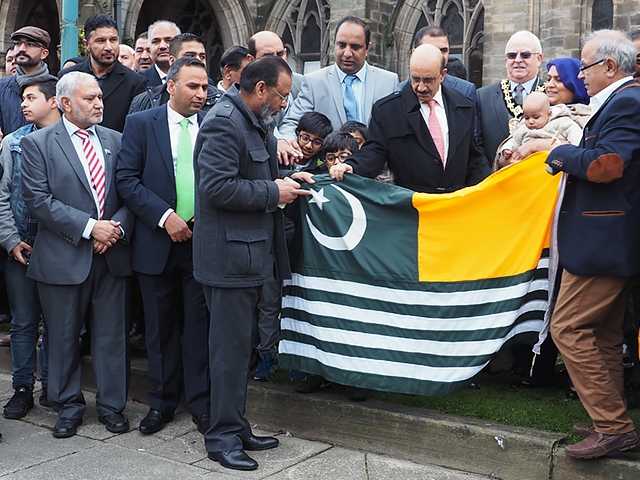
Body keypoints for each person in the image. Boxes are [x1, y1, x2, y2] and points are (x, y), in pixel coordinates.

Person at [193, 55, 312, 471]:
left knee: (239, 349)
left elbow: (252, 174)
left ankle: (235, 425)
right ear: (260, 89)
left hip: (246, 256)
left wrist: (289, 181)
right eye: (281, 96)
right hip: (227, 260)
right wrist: (272, 193)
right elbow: (217, 188)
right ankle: (221, 437)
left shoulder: (251, 121)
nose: (283, 104)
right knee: (227, 353)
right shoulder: (225, 120)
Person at [21, 71, 133, 438]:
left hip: (111, 256)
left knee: (112, 337)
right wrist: (89, 228)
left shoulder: (117, 140)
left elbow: (131, 192)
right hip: (63, 257)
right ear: (66, 103)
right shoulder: (38, 144)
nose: (99, 103)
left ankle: (112, 406)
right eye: (90, 98)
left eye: (100, 97)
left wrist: (114, 227)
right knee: (64, 337)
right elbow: (38, 201)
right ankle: (67, 406)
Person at [545, 29, 640, 459]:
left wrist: (559, 150)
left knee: (567, 328)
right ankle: (610, 418)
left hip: (605, 241)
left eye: (584, 66)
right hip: (606, 240)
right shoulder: (621, 101)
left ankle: (614, 427)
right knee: (601, 334)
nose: (579, 74)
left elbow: (607, 165)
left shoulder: (627, 101)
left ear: (609, 66)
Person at [116, 57, 211, 436]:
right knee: (159, 329)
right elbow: (126, 179)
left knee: (200, 327)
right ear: (171, 86)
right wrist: (164, 216)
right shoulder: (142, 124)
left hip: (202, 243)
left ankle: (203, 405)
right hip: (157, 243)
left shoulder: (215, 124)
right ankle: (162, 403)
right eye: (193, 86)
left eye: (205, 87)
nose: (202, 94)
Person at [330, 44, 489, 193]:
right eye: (415, 79)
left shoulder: (463, 106)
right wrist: (351, 166)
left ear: (442, 75)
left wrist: (487, 189)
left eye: (428, 80)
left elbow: (473, 158)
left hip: (454, 206)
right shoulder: (387, 110)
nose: (420, 87)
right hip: (410, 207)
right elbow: (373, 153)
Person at [0, 75, 59, 420]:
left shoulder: (69, 140)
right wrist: (9, 240)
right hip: (21, 245)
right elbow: (3, 196)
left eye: (31, 97)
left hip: (57, 248)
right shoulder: (14, 144)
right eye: (21, 97)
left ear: (54, 101)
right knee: (23, 322)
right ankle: (22, 387)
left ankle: (53, 384)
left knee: (55, 321)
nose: (23, 104)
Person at [277, 16, 399, 163]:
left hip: (376, 171)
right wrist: (286, 142)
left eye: (355, 47)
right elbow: (291, 122)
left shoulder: (388, 81)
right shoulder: (314, 82)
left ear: (367, 48)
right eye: (341, 45)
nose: (347, 53)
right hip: (328, 172)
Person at [496, 57, 591, 169]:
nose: (549, 85)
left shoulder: (588, 116)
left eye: (559, 80)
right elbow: (502, 159)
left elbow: (583, 151)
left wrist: (535, 145)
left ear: (576, 84)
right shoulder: (535, 113)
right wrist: (509, 154)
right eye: (548, 79)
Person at [59, 14, 146, 132]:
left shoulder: (135, 82)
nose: (108, 47)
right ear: (87, 44)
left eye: (113, 40)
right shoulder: (68, 76)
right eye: (101, 41)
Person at [477, 31, 545, 162]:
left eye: (525, 55)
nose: (518, 60)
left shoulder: (551, 94)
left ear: (539, 59)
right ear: (506, 59)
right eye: (512, 55)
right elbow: (476, 147)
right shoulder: (483, 96)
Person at [408, 26, 480, 142]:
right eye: (433, 49)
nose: (439, 55)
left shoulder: (465, 90)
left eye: (444, 50)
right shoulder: (399, 92)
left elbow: (473, 140)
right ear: (415, 52)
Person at [129, 33, 221, 114]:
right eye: (190, 55)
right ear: (172, 61)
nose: (198, 60)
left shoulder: (220, 101)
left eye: (202, 56)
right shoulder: (144, 102)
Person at [496, 91, 582, 167]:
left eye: (536, 117)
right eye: (526, 118)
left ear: (549, 114)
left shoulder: (561, 122)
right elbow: (514, 140)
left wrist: (577, 146)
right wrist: (507, 149)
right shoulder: (523, 128)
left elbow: (576, 136)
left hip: (553, 168)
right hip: (526, 168)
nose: (531, 121)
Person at [0, 26, 51, 137]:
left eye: (31, 44)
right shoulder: (1, 87)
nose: (22, 49)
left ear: (44, 53)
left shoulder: (56, 87)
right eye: (18, 43)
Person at [138, 21, 181, 86]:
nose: (162, 46)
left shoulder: (194, 77)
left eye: (168, 40)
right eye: (156, 41)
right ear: (150, 46)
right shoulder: (138, 81)